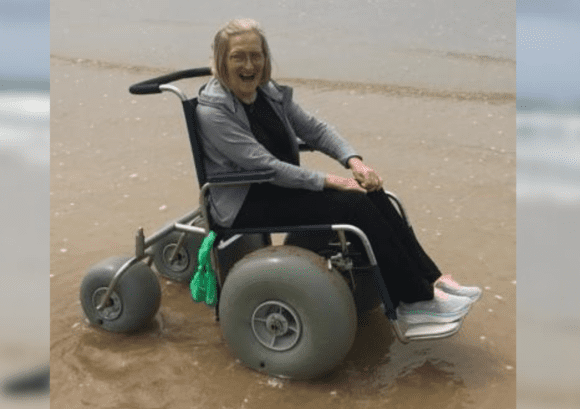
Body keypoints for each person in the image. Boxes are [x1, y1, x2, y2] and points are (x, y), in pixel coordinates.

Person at [196, 18, 482, 325]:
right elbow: (266, 167)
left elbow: (316, 130)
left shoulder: (268, 92)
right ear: (221, 61)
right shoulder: (213, 111)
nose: (249, 64)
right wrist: (331, 181)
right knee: (353, 205)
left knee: (372, 192)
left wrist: (355, 163)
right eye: (238, 56)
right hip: (244, 201)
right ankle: (414, 303)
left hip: (275, 187)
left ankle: (432, 281)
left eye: (256, 55)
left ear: (265, 58)